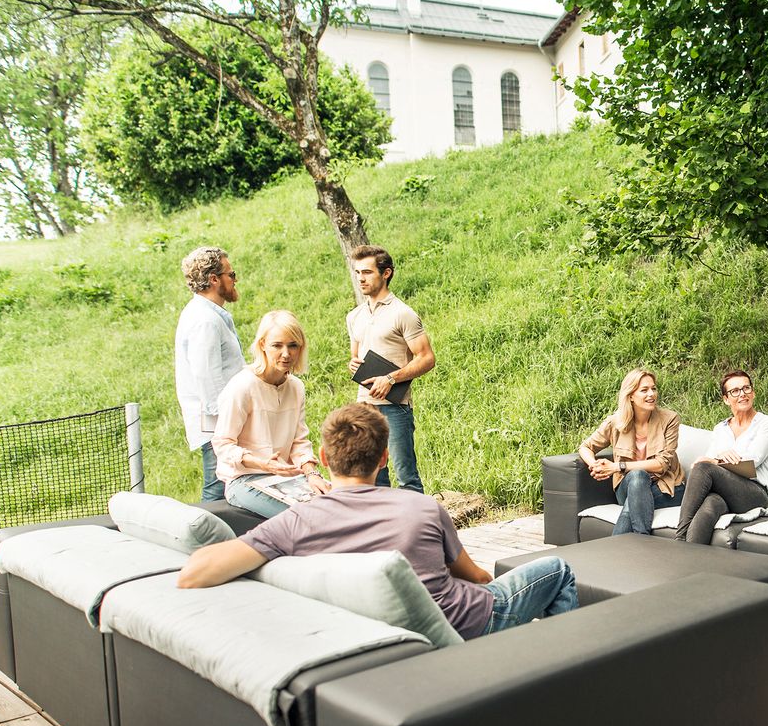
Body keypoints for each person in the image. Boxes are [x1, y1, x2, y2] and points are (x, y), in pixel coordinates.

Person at [179, 403, 578, 637]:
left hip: (382, 634)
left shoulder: (296, 521)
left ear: (322, 457)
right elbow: (474, 577)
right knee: (557, 570)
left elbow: (194, 573)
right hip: (465, 622)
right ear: (384, 458)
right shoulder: (421, 507)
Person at [212, 310, 331, 518]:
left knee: (338, 505)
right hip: (245, 480)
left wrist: (312, 474)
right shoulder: (243, 386)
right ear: (262, 345)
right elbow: (222, 445)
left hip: (285, 478)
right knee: (306, 518)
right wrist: (262, 463)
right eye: (277, 345)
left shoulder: (296, 387)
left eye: (292, 345)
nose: (286, 354)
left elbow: (299, 440)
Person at [347, 245, 435, 493]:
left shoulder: (403, 313)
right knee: (374, 478)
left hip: (395, 408)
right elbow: (355, 358)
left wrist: (390, 378)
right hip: (365, 407)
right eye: (358, 273)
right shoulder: (354, 316)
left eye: (367, 272)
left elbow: (427, 358)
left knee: (407, 477)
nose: (361, 278)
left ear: (386, 273)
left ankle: (416, 528)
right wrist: (352, 363)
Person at [675, 370, 768, 545]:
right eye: (735, 391)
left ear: (753, 392)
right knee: (710, 506)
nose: (742, 394)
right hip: (726, 493)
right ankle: (690, 560)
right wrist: (711, 461)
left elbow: (751, 463)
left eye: (746, 388)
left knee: (704, 469)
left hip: (755, 494)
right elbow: (703, 462)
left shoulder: (766, 424)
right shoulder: (721, 429)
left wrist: (716, 461)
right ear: (726, 399)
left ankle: (679, 538)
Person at [578, 368, 686, 536]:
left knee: (633, 503)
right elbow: (585, 447)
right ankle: (639, 544)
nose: (651, 394)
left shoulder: (670, 419)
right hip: (628, 486)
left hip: (666, 487)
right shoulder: (616, 422)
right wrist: (595, 465)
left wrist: (616, 467)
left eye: (654, 388)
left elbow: (662, 464)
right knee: (638, 477)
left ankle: (636, 541)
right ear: (630, 396)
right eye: (644, 390)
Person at [174, 246, 244, 501]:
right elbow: (208, 378)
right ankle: (205, 540)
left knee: (224, 485)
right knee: (217, 489)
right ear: (214, 279)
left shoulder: (210, 314)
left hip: (220, 419)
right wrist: (227, 425)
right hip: (217, 422)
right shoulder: (204, 320)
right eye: (231, 274)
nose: (235, 279)